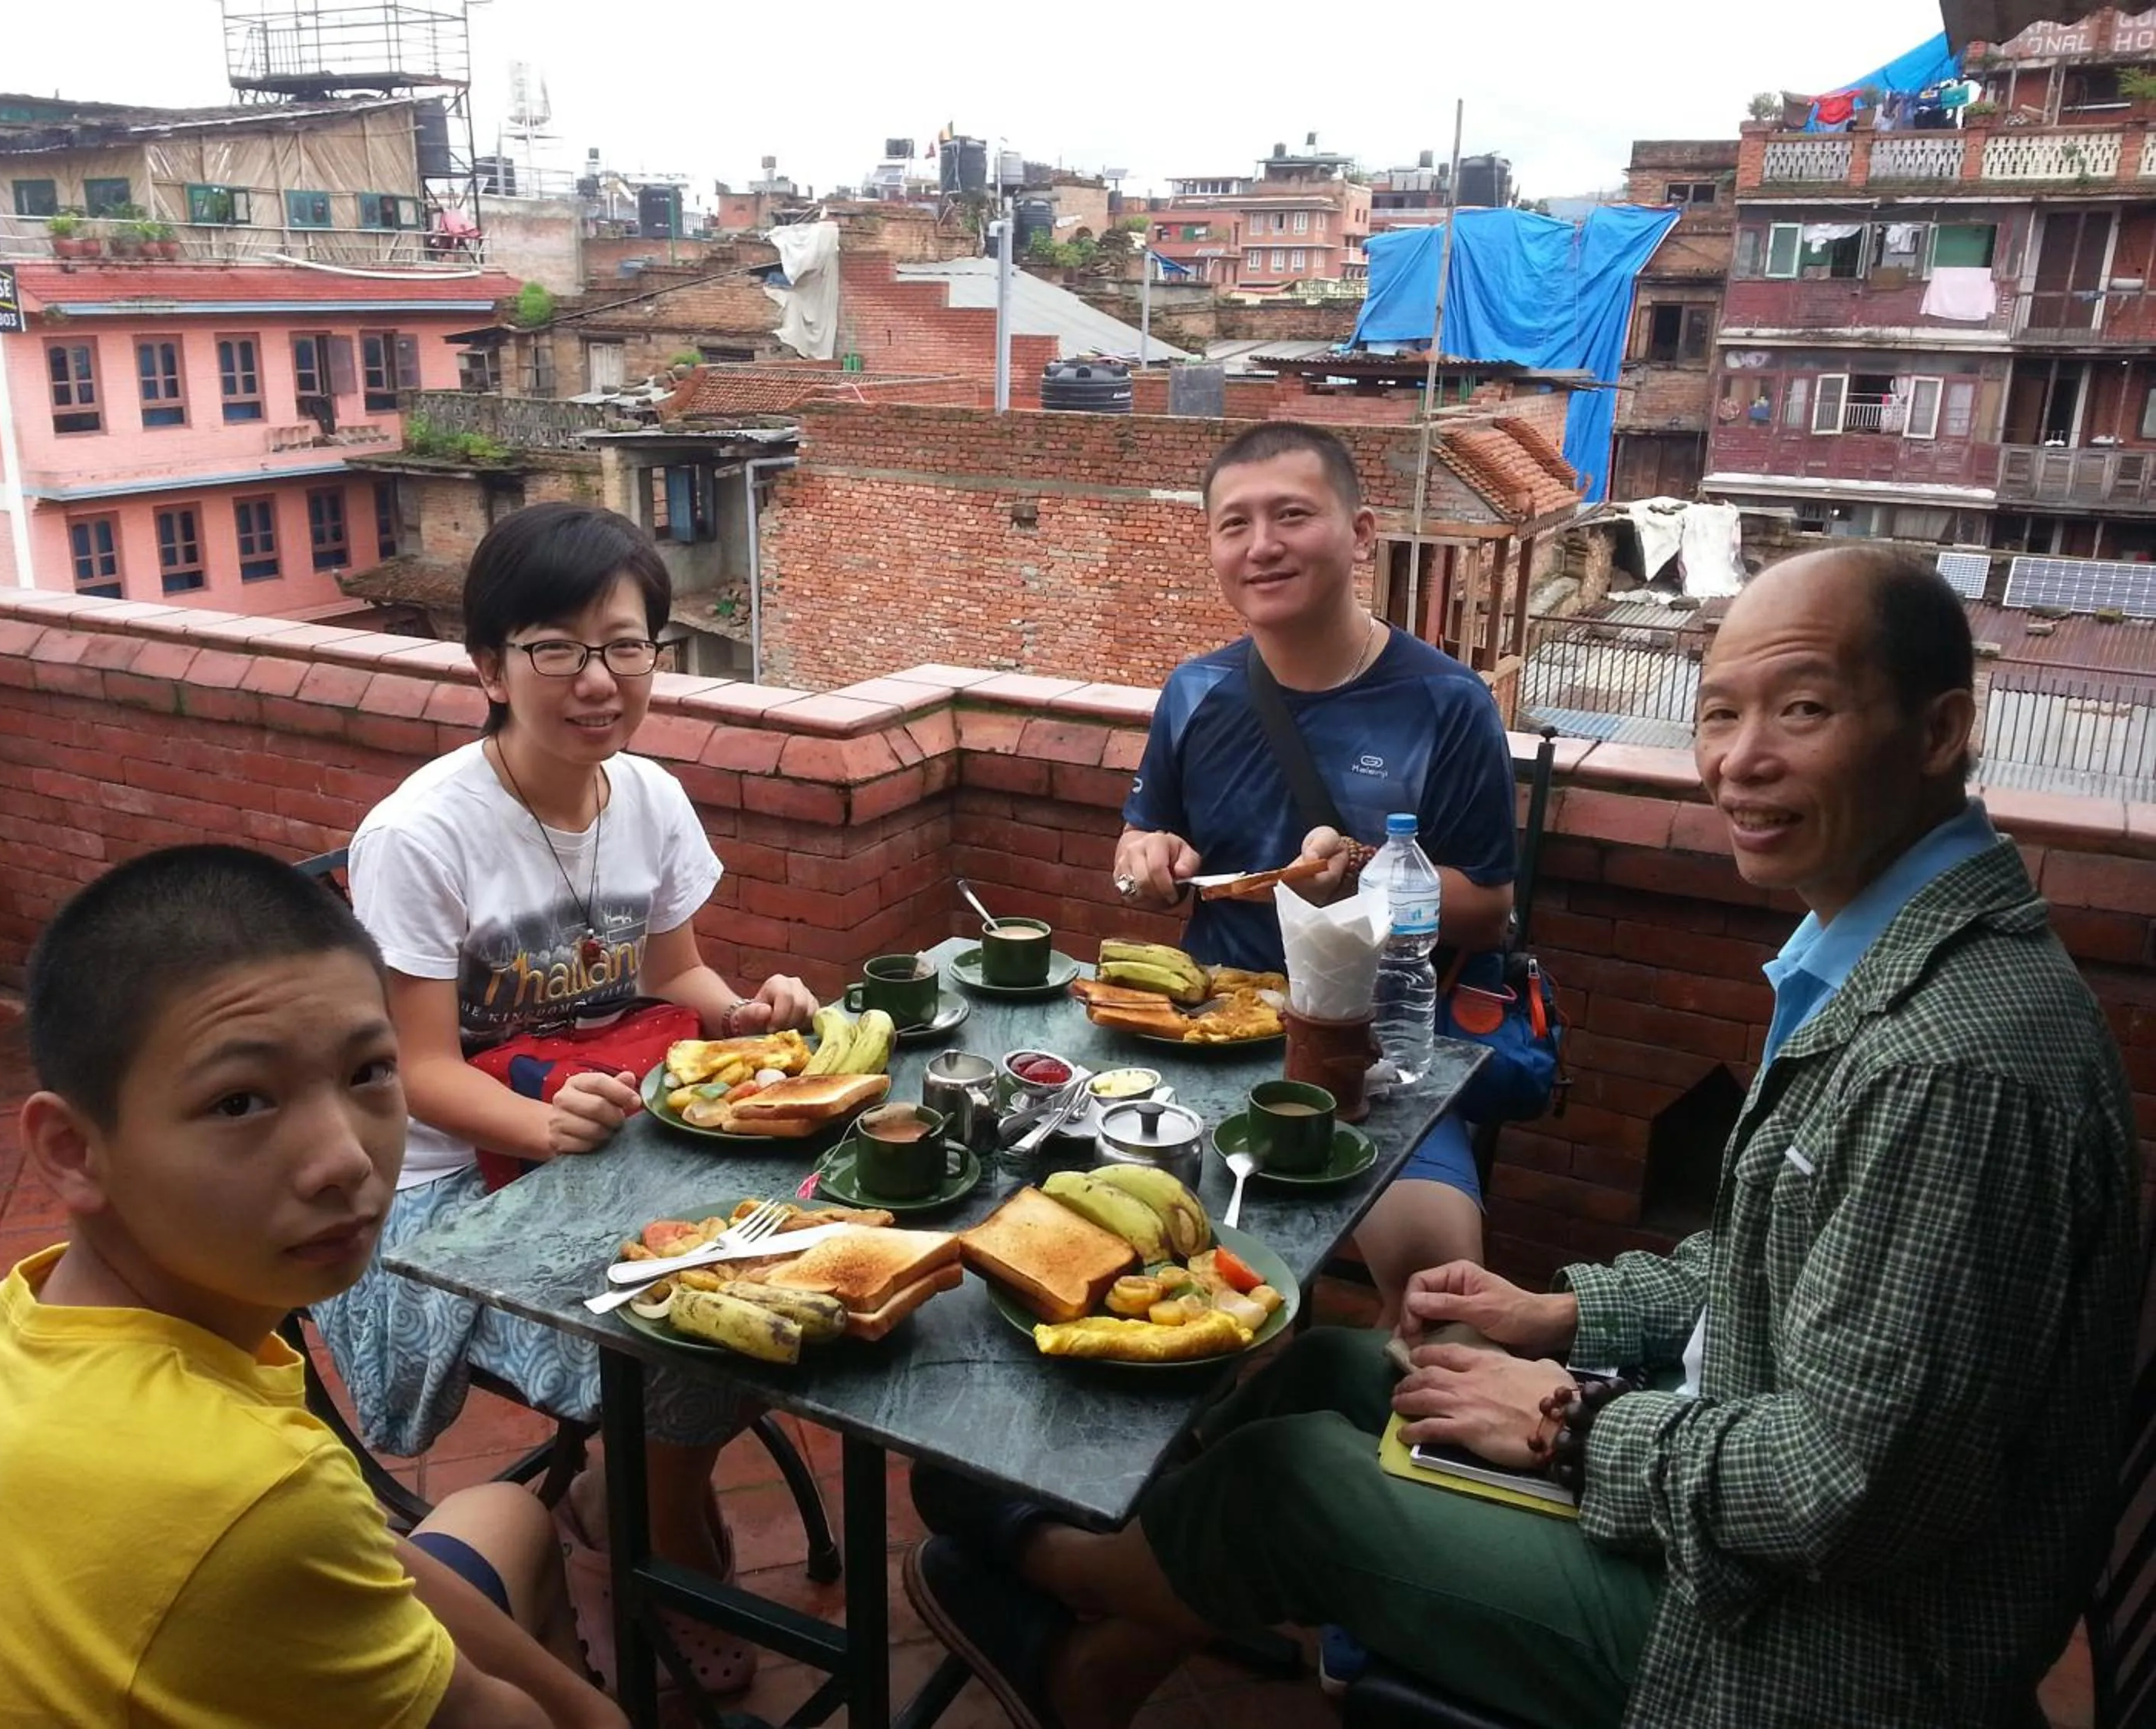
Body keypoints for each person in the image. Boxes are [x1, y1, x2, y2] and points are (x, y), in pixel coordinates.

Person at [907, 546, 2141, 1728]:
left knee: (1289, 1484)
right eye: (1718, 715)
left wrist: (1572, 1421)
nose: (1739, 761)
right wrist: (1555, 1318)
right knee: (1331, 1367)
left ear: (1937, 732)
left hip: (1802, 1647)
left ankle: (1059, 1565)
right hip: (1743, 1512)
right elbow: (1771, 1270)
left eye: (1803, 711)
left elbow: (1849, 1495)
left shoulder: (1954, 1063)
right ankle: (1099, 1673)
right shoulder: (1876, 965)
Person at [0, 845, 620, 1729]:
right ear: (71, 1150)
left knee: (509, 1518)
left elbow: (358, 1546)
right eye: (239, 1103)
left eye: (369, 1072)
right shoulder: (250, 1493)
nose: (343, 1159)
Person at [311, 499, 816, 1697]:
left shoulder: (646, 794)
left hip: (612, 1135)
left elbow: (673, 974)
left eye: (626, 644)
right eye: (556, 647)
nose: (597, 679)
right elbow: (418, 1070)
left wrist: (741, 1013)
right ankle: (652, 1543)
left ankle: (615, 1498)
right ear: (488, 664)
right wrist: (547, 1124)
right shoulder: (421, 835)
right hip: (450, 1192)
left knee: (804, 1268)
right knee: (688, 1343)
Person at [1113, 421, 1517, 1319]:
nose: (1262, 546)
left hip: (1371, 1052)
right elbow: (1145, 835)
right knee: (1118, 1245)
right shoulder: (1195, 691)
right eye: (1234, 524)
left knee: (1441, 1298)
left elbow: (1488, 908)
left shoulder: (1446, 705)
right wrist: (1144, 860)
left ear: (1361, 533)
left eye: (1292, 515)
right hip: (1209, 1026)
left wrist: (1369, 880)